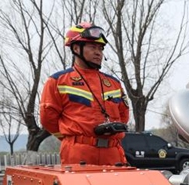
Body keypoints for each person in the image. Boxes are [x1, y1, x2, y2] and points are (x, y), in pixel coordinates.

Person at [40, 22, 129, 166]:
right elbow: (47, 119)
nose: (98, 52)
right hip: (78, 153)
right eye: (92, 47)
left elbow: (123, 115)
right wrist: (72, 138)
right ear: (76, 48)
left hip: (112, 152)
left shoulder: (114, 83)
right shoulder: (58, 81)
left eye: (100, 48)